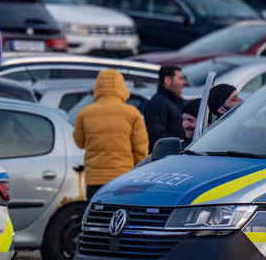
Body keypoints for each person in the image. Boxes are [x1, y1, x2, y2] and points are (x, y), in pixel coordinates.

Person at [72, 70, 148, 199]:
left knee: (96, 216)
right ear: (122, 87)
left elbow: (79, 142)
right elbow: (141, 150)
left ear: (98, 87)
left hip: (94, 179)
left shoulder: (85, 113)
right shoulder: (132, 113)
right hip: (123, 177)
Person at [145, 65, 186, 146]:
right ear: (167, 80)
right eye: (180, 78)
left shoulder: (177, 101)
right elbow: (159, 138)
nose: (184, 82)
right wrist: (181, 143)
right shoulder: (157, 104)